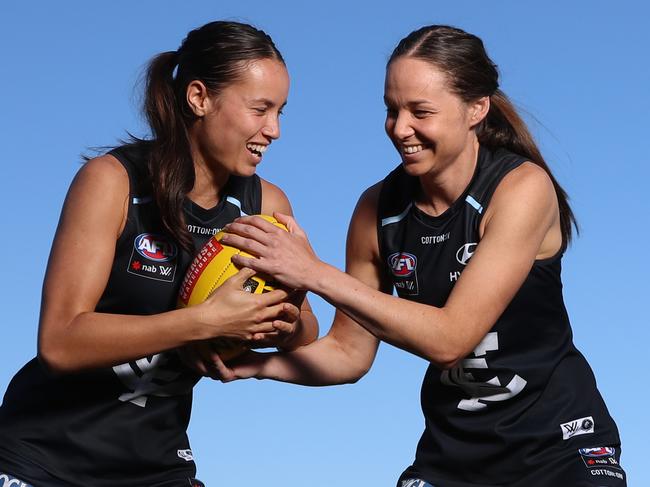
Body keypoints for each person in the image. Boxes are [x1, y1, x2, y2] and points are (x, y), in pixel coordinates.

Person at [213, 25, 626, 486]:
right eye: (392, 110)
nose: (400, 128)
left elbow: (450, 339)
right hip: (454, 459)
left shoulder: (521, 188)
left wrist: (313, 273)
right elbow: (349, 353)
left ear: (476, 108)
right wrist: (255, 366)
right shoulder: (378, 209)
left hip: (559, 447)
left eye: (420, 112)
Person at [0, 20, 317, 487]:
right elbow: (59, 343)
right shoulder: (113, 182)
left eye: (280, 112)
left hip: (157, 466)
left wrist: (285, 321)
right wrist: (206, 322)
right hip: (47, 459)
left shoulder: (266, 207)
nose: (273, 130)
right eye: (260, 109)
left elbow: (305, 332)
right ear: (199, 98)